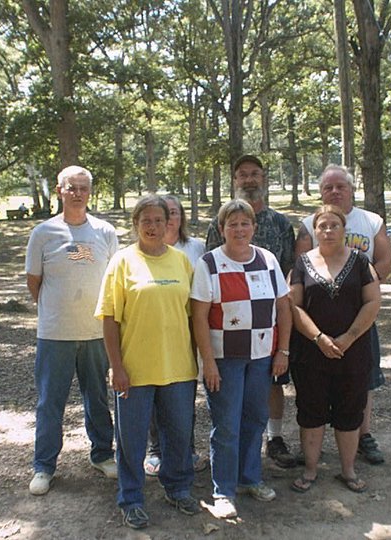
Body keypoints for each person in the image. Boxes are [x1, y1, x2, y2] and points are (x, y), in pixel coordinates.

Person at [95, 195, 200, 530]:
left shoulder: (182, 262)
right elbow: (109, 319)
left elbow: (192, 316)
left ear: (171, 223)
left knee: (179, 433)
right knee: (132, 438)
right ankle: (131, 498)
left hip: (179, 368)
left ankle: (178, 486)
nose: (154, 227)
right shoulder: (122, 262)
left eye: (160, 220)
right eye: (147, 221)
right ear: (136, 224)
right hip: (136, 370)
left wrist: (203, 361)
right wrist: (117, 366)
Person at [193, 199, 292, 519]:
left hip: (262, 357)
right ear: (221, 229)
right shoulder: (208, 263)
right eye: (231, 224)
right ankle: (223, 490)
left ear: (254, 227)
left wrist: (283, 351)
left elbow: (284, 308)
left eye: (244, 223)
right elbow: (198, 317)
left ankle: (250, 478)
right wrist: (207, 361)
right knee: (226, 425)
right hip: (225, 359)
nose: (238, 229)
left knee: (254, 420)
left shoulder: (268, 259)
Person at [25, 165, 118, 497]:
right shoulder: (44, 233)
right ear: (59, 190)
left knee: (97, 398)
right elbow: (34, 282)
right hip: (54, 334)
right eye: (71, 187)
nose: (77, 193)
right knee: (51, 401)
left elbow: (114, 281)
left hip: (95, 332)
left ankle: (103, 455)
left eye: (83, 188)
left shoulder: (105, 232)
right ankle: (44, 466)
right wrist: (56, 309)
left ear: (90, 192)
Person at [295, 164, 391, 464]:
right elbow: (299, 273)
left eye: (341, 186)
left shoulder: (372, 221)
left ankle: (363, 436)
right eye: (328, 187)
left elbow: (385, 260)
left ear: (352, 189)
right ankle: (313, 452)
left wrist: (363, 284)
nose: (335, 191)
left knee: (363, 380)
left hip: (358, 319)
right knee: (314, 390)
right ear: (321, 192)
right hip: (316, 329)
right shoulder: (308, 223)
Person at [205, 155, 297, 469]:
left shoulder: (281, 223)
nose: (249, 180)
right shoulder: (219, 223)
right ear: (235, 180)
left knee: (272, 383)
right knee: (229, 406)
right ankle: (230, 470)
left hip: (267, 325)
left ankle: (274, 438)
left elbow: (287, 273)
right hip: (228, 333)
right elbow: (210, 274)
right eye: (243, 174)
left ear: (263, 178)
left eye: (255, 174)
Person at [289, 205, 381, 494]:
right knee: (311, 410)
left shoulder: (361, 262)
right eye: (322, 226)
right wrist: (319, 338)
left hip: (352, 352)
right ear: (314, 231)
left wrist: (349, 336)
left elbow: (372, 302)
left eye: (334, 226)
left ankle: (348, 470)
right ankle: (311, 470)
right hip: (311, 354)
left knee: (349, 411)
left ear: (344, 230)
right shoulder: (301, 264)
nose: (328, 231)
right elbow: (294, 306)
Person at [144, 194, 208, 476]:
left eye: (174, 213)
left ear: (180, 218)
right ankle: (156, 450)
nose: (169, 220)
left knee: (184, 395)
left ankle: (187, 449)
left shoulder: (196, 248)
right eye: (163, 214)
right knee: (153, 395)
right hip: (153, 334)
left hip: (187, 334)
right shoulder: (142, 250)